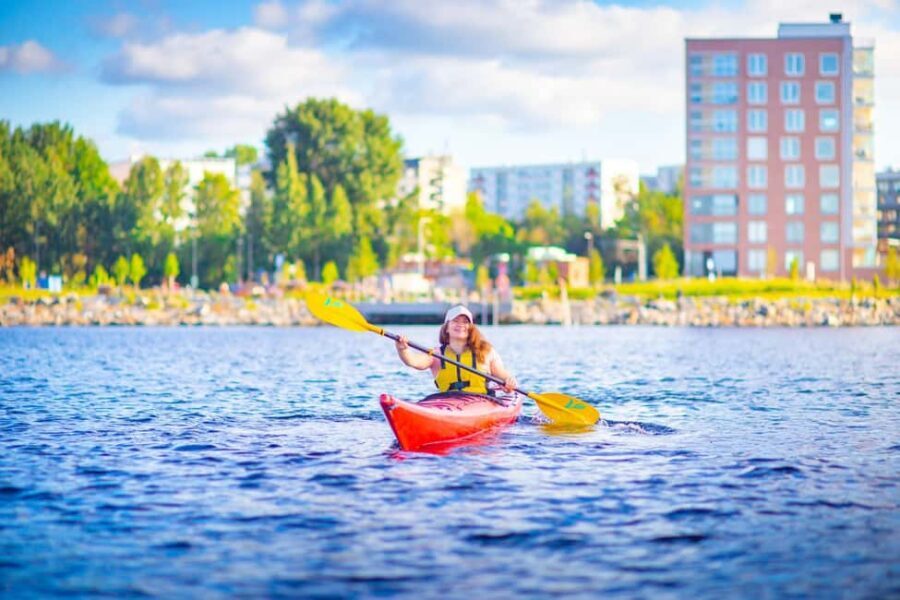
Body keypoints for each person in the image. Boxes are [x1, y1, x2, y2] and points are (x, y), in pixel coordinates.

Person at [394, 305, 517, 395]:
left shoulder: (486, 352)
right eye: (455, 321)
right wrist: (403, 350)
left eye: (465, 322)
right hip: (448, 404)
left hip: (481, 402)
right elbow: (413, 361)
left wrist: (509, 384)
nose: (460, 325)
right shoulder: (436, 354)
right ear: (446, 328)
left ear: (470, 328)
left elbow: (504, 376)